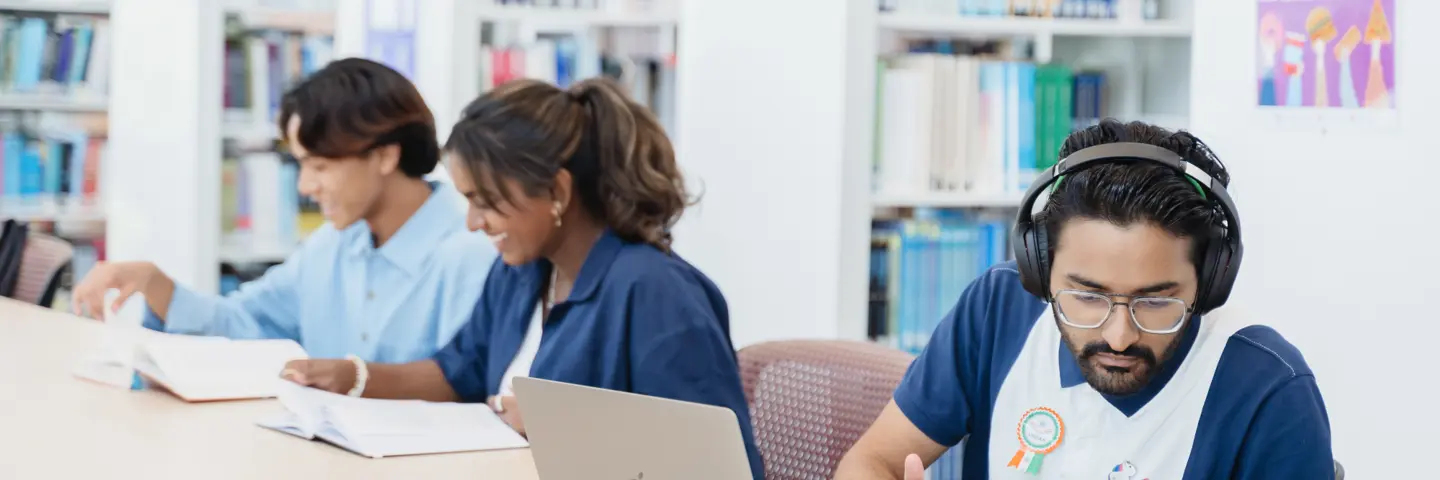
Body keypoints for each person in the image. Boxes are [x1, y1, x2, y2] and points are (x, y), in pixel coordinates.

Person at [279, 77, 766, 479]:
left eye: (485, 201)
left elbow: (718, 468)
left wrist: (564, 429)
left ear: (556, 190)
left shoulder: (657, 293)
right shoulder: (524, 270)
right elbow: (459, 370)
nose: (472, 222)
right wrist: (355, 376)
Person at [834, 120, 1332, 479]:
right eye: (1087, 297)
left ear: (1208, 283)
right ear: (1040, 269)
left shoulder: (1268, 388)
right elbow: (872, 460)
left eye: (1155, 302)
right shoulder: (997, 309)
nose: (1119, 335)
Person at [71, 58, 497, 364]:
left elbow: (464, 390)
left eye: (320, 166)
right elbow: (244, 322)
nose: (306, 186)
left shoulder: (469, 255)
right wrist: (154, 283)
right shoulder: (331, 246)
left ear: (385, 157)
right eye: (301, 165)